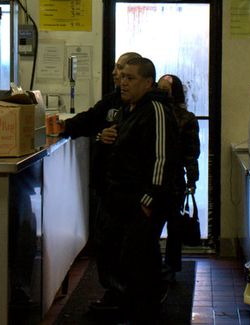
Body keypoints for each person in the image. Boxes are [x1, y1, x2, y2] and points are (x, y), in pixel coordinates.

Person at [93, 57, 179, 323]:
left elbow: (163, 157)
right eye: (123, 77)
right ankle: (128, 304)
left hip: (141, 199)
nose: (123, 83)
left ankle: (145, 309)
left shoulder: (156, 109)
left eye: (130, 78)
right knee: (119, 253)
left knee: (138, 258)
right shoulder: (131, 108)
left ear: (147, 82)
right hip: (121, 196)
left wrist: (149, 198)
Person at [60, 51, 141, 303]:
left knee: (123, 245)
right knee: (106, 242)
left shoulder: (148, 108)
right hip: (107, 183)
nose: (118, 75)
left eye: (125, 72)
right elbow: (88, 120)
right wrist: (59, 128)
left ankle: (127, 294)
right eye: (118, 70)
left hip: (131, 188)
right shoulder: (112, 101)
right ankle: (116, 292)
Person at [157, 73, 200, 281]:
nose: (162, 94)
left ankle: (171, 267)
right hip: (161, 179)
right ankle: (161, 266)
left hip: (174, 179)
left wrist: (192, 181)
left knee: (174, 227)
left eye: (166, 90)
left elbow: (192, 152)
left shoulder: (185, 119)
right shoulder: (154, 114)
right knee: (158, 226)